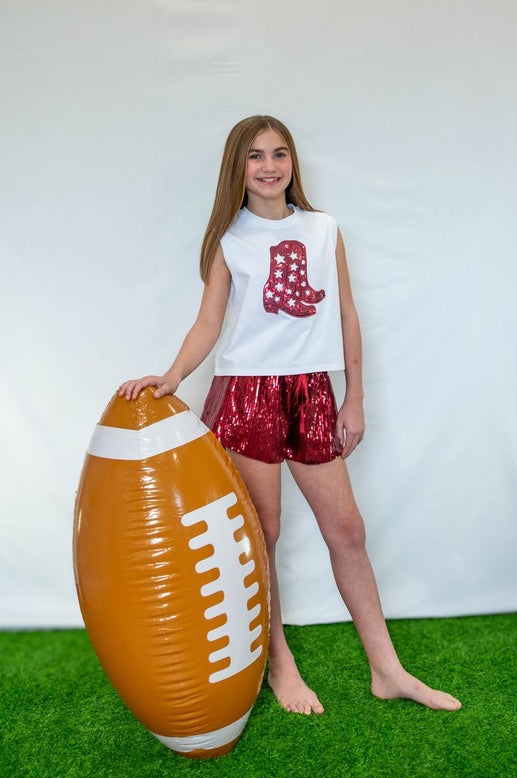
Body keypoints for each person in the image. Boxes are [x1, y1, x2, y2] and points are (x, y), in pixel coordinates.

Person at [119, 115, 461, 715]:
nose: (269, 166)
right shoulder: (230, 240)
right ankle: (280, 664)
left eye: (280, 153)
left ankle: (387, 670)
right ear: (238, 167)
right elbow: (209, 323)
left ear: (292, 162)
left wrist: (354, 396)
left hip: (312, 392)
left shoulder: (324, 229)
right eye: (255, 156)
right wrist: (171, 377)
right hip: (246, 392)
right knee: (265, 534)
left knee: (347, 532)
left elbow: (347, 314)